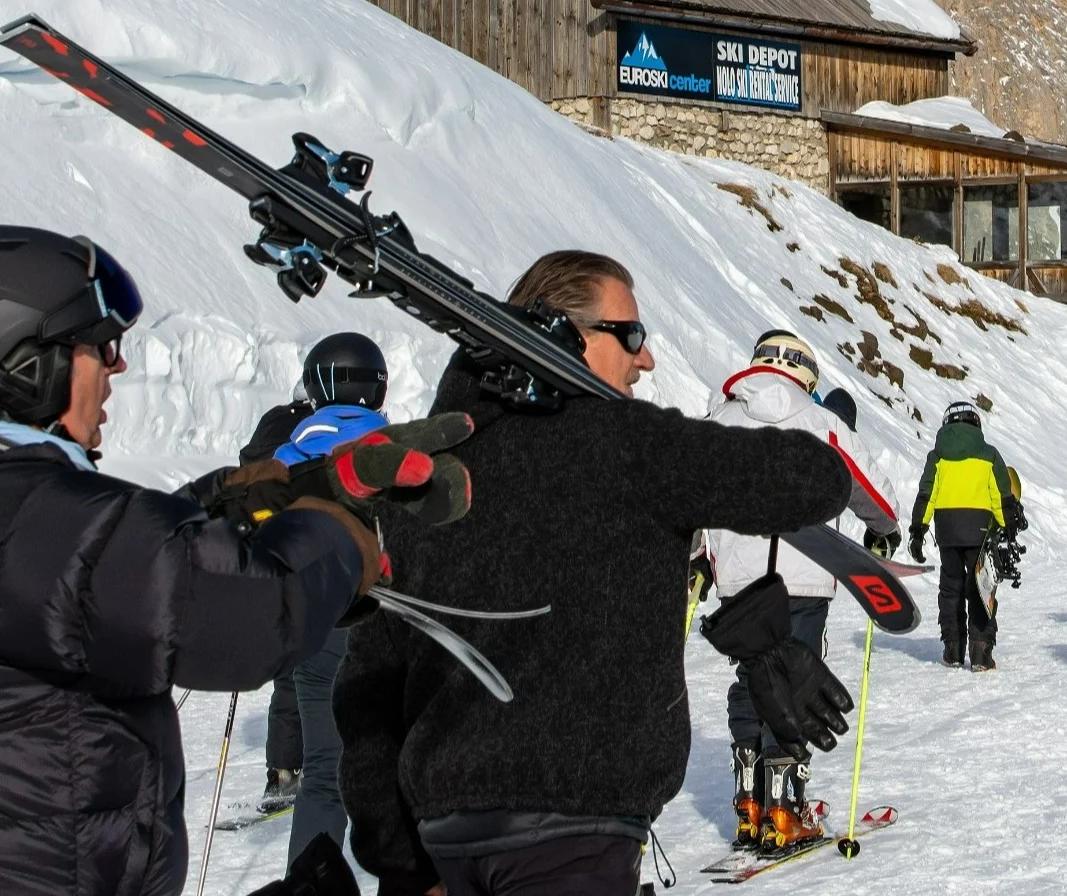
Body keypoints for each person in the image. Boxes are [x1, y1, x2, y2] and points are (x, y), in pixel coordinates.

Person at [337, 250, 860, 896]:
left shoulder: (421, 474)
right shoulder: (624, 445)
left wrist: (403, 867)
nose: (646, 360)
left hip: (446, 845)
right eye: (632, 336)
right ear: (573, 337)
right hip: (572, 839)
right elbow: (813, 478)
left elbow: (367, 693)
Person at [0, 226, 461, 896]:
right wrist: (336, 531)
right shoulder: (42, 513)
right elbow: (246, 617)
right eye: (100, 347)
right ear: (28, 366)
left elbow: (119, 557)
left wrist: (230, 501)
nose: (117, 366)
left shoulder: (37, 512)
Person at [706, 331, 899, 852]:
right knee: (792, 685)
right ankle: (785, 809)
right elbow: (869, 488)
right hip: (804, 576)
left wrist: (703, 558)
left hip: (739, 582)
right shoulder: (820, 422)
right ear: (807, 374)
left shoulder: (719, 421)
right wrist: (883, 527)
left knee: (754, 675)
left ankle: (749, 803)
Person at [243, 332, 392, 824]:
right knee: (412, 769)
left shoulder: (285, 460)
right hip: (395, 624)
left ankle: (287, 784)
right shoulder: (403, 452)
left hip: (318, 624)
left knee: (326, 775)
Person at [910, 399, 1023, 671]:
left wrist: (918, 530)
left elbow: (927, 495)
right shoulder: (989, 455)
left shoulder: (937, 456)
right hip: (980, 531)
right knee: (981, 588)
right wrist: (1006, 527)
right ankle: (981, 652)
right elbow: (1001, 497)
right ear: (976, 423)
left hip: (947, 531)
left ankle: (953, 650)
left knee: (951, 588)